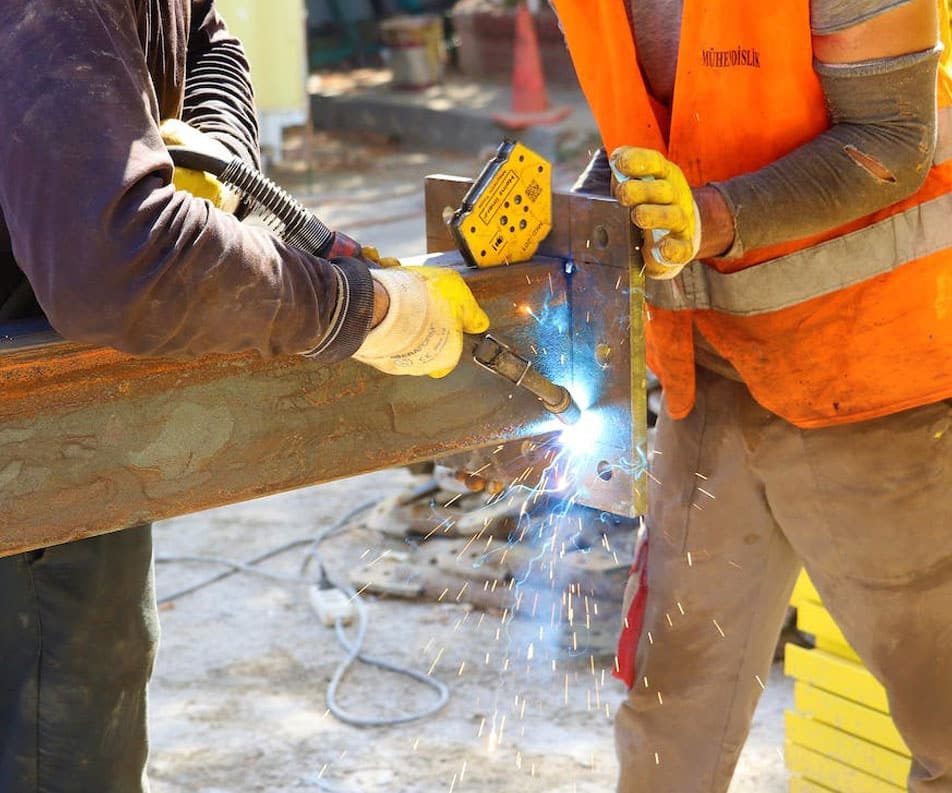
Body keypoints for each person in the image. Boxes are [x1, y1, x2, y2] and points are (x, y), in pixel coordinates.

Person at [0, 3, 487, 791]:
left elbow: (203, 37)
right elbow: (115, 267)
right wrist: (360, 311)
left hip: (67, 436)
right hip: (22, 453)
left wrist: (216, 157)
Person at [558, 0, 952, 790]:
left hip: (873, 375)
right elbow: (656, 121)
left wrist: (704, 219)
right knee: (670, 721)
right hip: (705, 375)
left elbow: (892, 141)